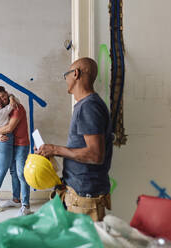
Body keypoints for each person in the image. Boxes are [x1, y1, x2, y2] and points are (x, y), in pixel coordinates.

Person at [35, 57, 113, 221]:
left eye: (66, 75)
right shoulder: (86, 105)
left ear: (75, 74)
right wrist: (51, 152)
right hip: (79, 191)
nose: (65, 79)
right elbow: (83, 148)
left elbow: (95, 155)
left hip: (86, 195)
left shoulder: (89, 107)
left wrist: (55, 149)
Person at [0, 86, 32, 216]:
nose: (2, 100)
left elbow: (9, 128)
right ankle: (16, 199)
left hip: (21, 144)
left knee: (21, 173)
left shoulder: (16, 108)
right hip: (11, 145)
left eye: (4, 96)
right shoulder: (4, 111)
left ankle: (26, 205)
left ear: (8, 95)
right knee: (13, 172)